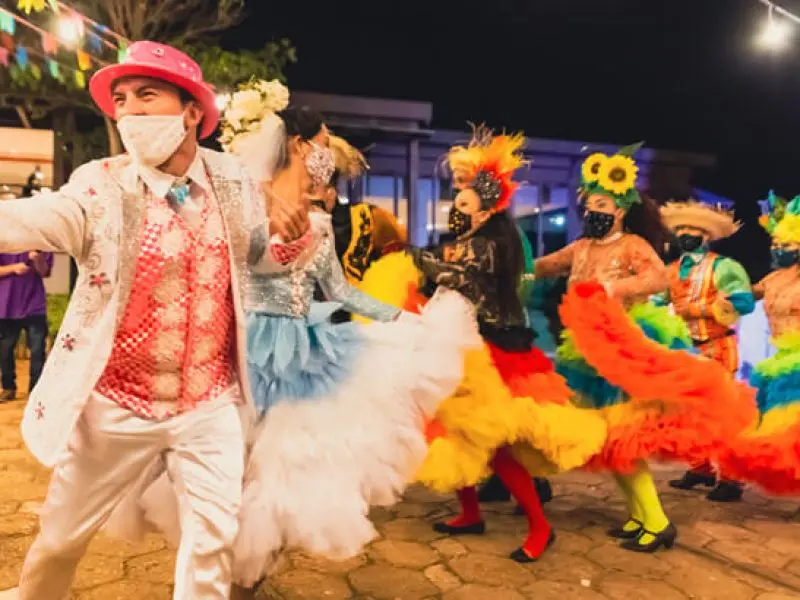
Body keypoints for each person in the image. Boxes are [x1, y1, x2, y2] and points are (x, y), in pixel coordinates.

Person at [108, 80, 478, 592]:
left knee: (284, 488)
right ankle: (214, 577)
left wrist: (402, 321)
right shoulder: (239, 203)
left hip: (309, 360)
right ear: (302, 145)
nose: (330, 154)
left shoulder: (322, 223)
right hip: (240, 354)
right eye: (324, 142)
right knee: (222, 480)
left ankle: (246, 579)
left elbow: (340, 292)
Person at [0, 41, 312, 600]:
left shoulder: (233, 179)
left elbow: (258, 255)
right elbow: (46, 216)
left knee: (213, 541)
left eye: (149, 95)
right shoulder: (99, 184)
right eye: (122, 100)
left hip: (209, 402)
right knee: (60, 541)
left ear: (193, 111)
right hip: (117, 405)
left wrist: (296, 238)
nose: (132, 112)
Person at [358, 128, 607, 563]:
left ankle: (540, 527)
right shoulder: (473, 238)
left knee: (499, 443)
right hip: (466, 347)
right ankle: (470, 513)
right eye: (456, 201)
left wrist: (418, 258)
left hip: (496, 354)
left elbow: (465, 281)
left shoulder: (497, 242)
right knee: (454, 431)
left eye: (464, 202)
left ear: (487, 205)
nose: (456, 207)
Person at [534, 145, 754, 552]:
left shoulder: (633, 244)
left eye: (601, 204)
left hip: (621, 350)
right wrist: (517, 262)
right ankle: (639, 516)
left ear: (619, 210)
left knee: (622, 437)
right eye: (589, 203)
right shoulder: (583, 246)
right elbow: (547, 264)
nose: (592, 210)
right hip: (585, 351)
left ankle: (656, 521)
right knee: (609, 439)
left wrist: (612, 288)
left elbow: (657, 280)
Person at [657, 201, 754, 502]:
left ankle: (732, 477)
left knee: (722, 414)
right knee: (687, 413)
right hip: (683, 351)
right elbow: (659, 304)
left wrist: (698, 309)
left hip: (717, 347)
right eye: (682, 229)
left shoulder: (724, 267)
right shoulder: (670, 270)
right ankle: (699, 468)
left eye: (694, 230)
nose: (686, 234)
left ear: (707, 236)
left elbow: (744, 302)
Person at [718, 193, 800, 495]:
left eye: (786, 245)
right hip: (780, 360)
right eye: (776, 244)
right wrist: (730, 297)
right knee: (779, 428)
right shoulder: (775, 278)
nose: (778, 250)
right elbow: (752, 293)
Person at [309, 134, 406, 322]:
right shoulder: (284, 218)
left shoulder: (369, 219)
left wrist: (396, 315)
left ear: (331, 189)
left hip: (355, 322)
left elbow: (393, 273)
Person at [0, 251, 53, 401]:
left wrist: (37, 259)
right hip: (7, 306)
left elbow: (45, 272)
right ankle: (8, 387)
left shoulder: (41, 244)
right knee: (5, 350)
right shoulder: (5, 242)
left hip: (35, 306)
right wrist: (13, 267)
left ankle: (35, 390)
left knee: (37, 350)